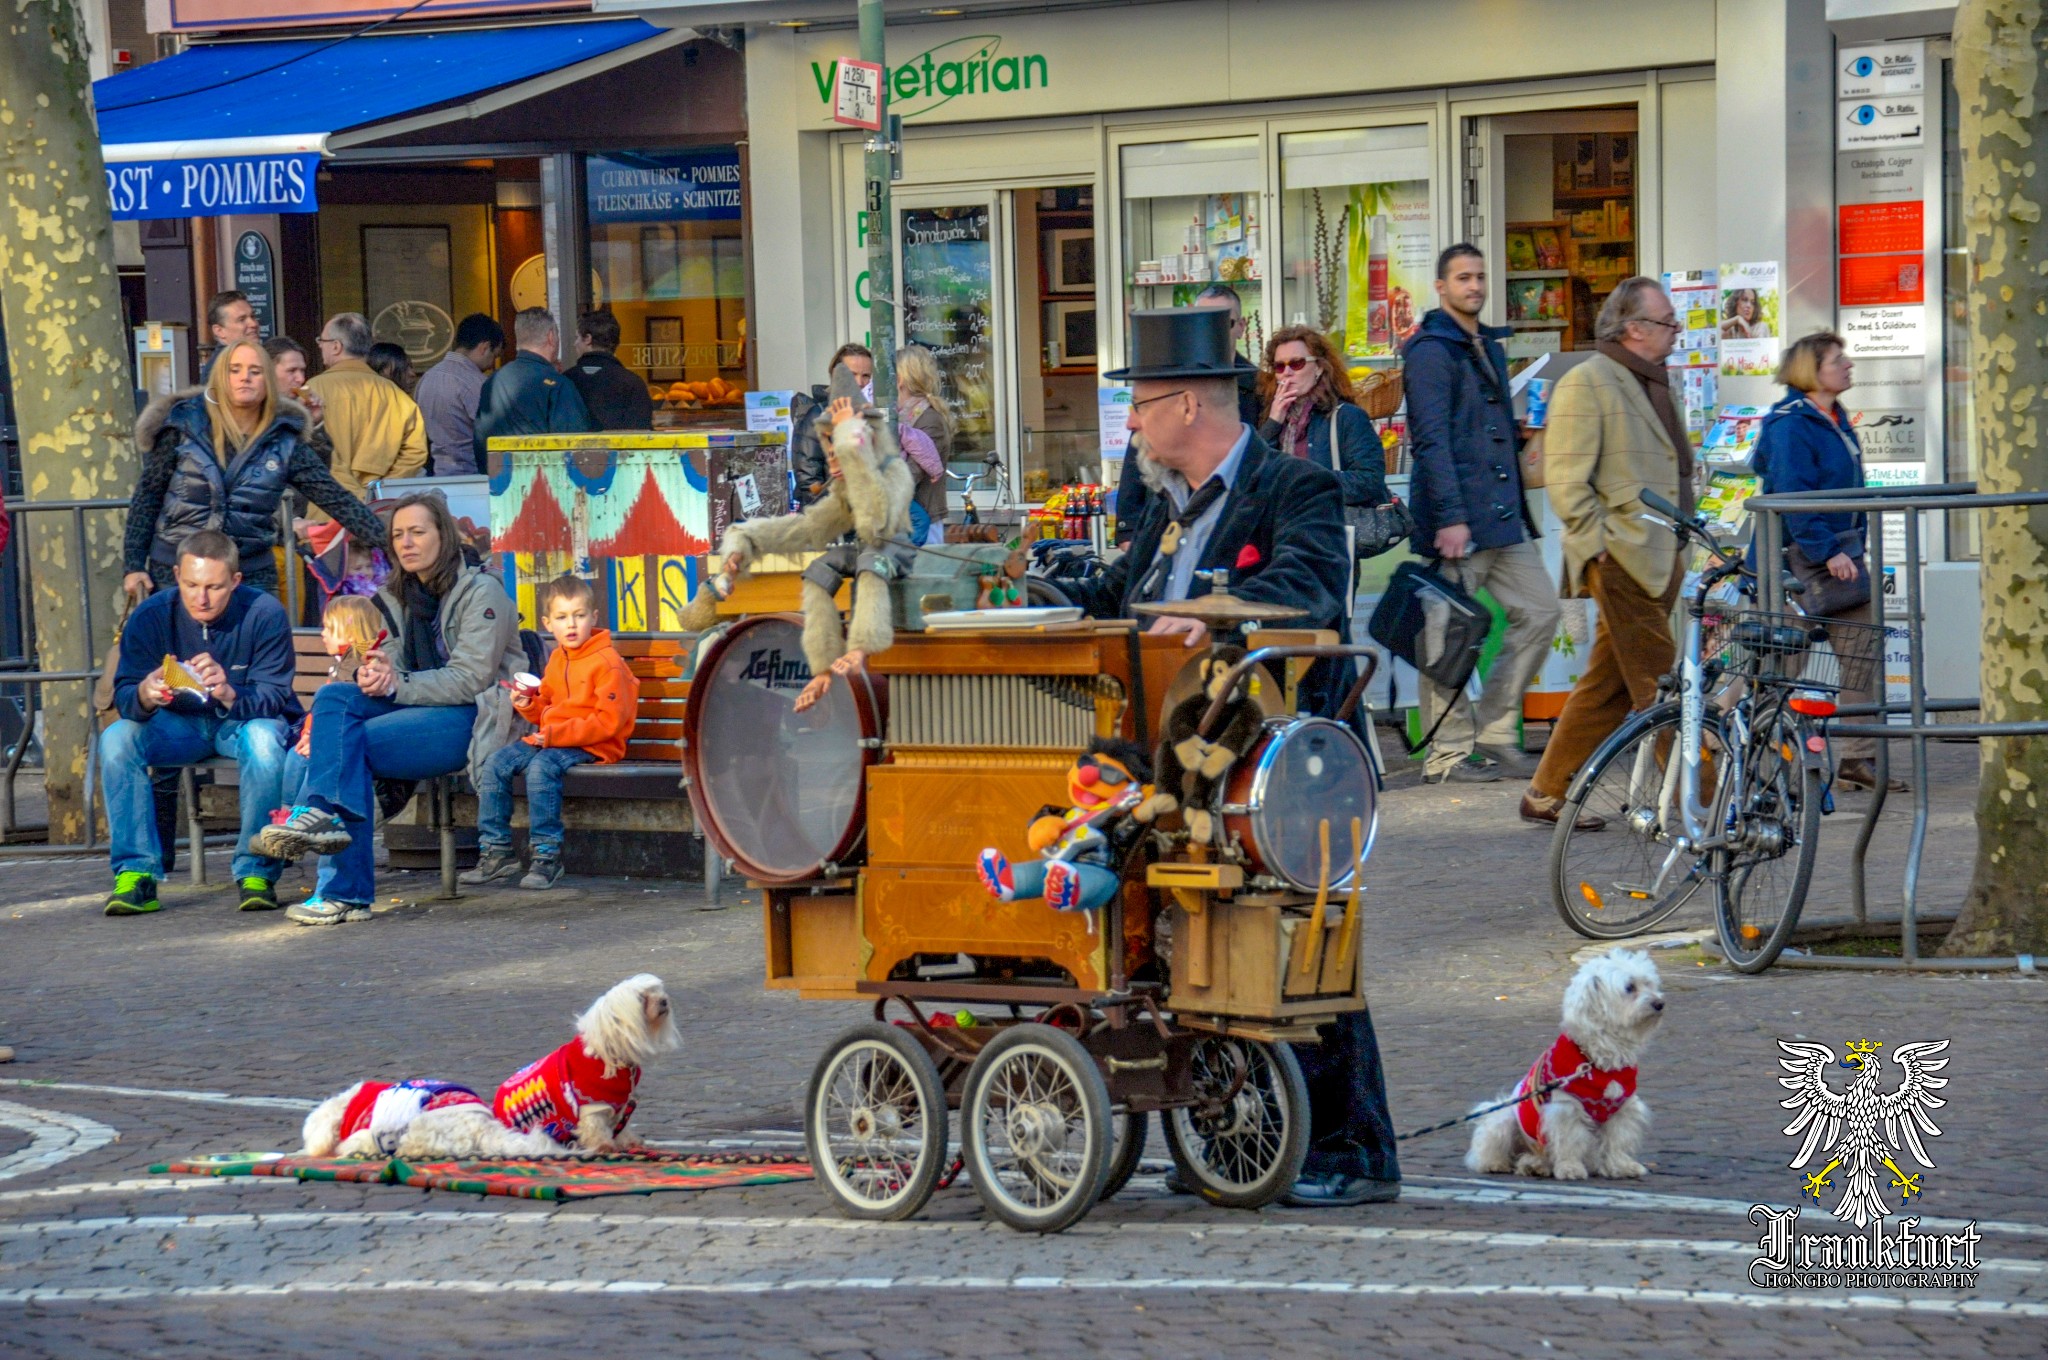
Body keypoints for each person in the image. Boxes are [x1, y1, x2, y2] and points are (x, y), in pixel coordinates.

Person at [1078, 307, 1400, 1207]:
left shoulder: (1295, 487)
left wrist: (1222, 618)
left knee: (1294, 947)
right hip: (1176, 766)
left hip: (1281, 764)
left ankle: (1353, 1150)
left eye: (1138, 405)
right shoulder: (1162, 504)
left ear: (1185, 404)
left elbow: (1304, 590)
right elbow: (1119, 595)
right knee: (1185, 947)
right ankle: (1228, 1136)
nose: (1131, 424)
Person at [255, 493, 525, 925]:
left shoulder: (481, 592)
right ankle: (324, 821)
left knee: (352, 746)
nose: (406, 542)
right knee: (333, 698)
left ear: (444, 536)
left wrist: (395, 683)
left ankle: (344, 889)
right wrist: (376, 674)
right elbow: (394, 667)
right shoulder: (393, 597)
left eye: (417, 532)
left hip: (474, 718)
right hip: (415, 707)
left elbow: (470, 679)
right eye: (398, 534)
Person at [1521, 277, 1692, 829]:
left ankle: (1545, 791)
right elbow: (1567, 480)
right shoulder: (1588, 381)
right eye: (1667, 322)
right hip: (1620, 555)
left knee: (1609, 684)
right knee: (1660, 685)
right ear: (1634, 328)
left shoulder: (1655, 382)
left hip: (1659, 553)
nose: (1677, 331)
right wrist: (1599, 551)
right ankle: (1705, 799)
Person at [1403, 244, 1561, 784]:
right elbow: (1430, 440)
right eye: (1463, 278)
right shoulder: (1428, 350)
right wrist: (1450, 518)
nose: (1475, 285)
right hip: (1460, 523)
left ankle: (1493, 734)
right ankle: (1447, 754)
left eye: (1480, 276)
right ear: (1441, 287)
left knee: (1541, 613)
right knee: (1445, 637)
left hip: (1501, 517)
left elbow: (1474, 426)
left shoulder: (1485, 343)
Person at [99, 531, 301, 916]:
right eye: (191, 584)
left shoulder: (263, 612)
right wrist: (145, 692)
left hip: (239, 721)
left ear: (236, 582)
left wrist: (228, 691)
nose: (201, 598)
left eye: (214, 587)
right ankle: (136, 873)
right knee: (116, 740)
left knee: (264, 740)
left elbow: (275, 696)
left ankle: (256, 870)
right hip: (178, 725)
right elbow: (125, 695)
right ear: (176, 575)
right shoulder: (152, 615)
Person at [123, 337, 388, 595]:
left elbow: (336, 498)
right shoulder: (181, 423)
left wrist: (394, 542)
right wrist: (133, 565)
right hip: (178, 568)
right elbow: (148, 495)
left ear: (268, 382)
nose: (244, 377)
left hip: (250, 570)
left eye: (255, 371)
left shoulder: (284, 438)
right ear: (219, 378)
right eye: (234, 370)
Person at [1752, 331, 1899, 792]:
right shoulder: (1791, 423)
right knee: (1784, 666)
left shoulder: (1832, 417)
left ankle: (1858, 757)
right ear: (1810, 371)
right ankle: (1772, 764)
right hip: (1797, 563)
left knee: (1861, 653)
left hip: (1841, 557)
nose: (1848, 365)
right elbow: (1792, 494)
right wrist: (1827, 550)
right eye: (1839, 360)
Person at [464, 574, 638, 891]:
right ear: (548, 623)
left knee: (541, 766)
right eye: (562, 617)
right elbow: (546, 707)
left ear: (593, 617)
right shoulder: (558, 657)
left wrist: (555, 735)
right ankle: (496, 851)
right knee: (496, 762)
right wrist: (526, 703)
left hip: (596, 745)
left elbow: (608, 723)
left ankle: (547, 856)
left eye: (579, 615)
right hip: (555, 738)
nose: (571, 625)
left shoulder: (607, 662)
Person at [1112, 285, 1260, 546]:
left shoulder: (1260, 386)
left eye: (1222, 321)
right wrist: (1128, 526)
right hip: (1172, 506)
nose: (1211, 328)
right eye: (1202, 319)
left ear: (1240, 326)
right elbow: (1141, 448)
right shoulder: (1171, 380)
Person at [1256, 323, 1387, 515]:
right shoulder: (1275, 418)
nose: (1287, 372)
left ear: (1318, 368)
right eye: (1279, 366)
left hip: (1330, 530)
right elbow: (1253, 474)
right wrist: (1274, 421)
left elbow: (1370, 480)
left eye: (1297, 363)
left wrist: (1308, 482)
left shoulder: (1347, 417)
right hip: (1287, 529)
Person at [304, 313, 429, 504]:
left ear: (336, 346)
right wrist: (377, 492)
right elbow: (415, 454)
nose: (319, 345)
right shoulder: (397, 396)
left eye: (322, 341)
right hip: (377, 509)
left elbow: (306, 452)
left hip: (326, 507)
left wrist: (349, 492)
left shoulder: (311, 392)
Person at [471, 308, 594, 470]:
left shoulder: (492, 382)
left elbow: (481, 443)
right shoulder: (558, 385)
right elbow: (578, 448)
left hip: (501, 485)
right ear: (551, 337)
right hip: (546, 485)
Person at [415, 313, 503, 476]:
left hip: (438, 472)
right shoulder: (477, 383)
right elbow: (494, 432)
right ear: (484, 348)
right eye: (494, 356)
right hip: (472, 476)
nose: (492, 364)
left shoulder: (427, 378)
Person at [789, 343, 873, 506]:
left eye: (866, 376)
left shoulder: (866, 413)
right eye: (852, 374)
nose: (860, 382)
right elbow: (808, 480)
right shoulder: (817, 415)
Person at [895, 344, 954, 542]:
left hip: (922, 524)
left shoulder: (929, 420)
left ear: (900, 378)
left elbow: (911, 475)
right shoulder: (902, 416)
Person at [565, 309, 655, 432]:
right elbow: (641, 434)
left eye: (577, 338)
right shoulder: (633, 383)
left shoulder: (566, 381)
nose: (574, 344)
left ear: (588, 339)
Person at [201, 290, 258, 377]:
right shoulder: (220, 369)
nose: (253, 324)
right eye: (241, 319)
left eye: (253, 316)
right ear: (219, 331)